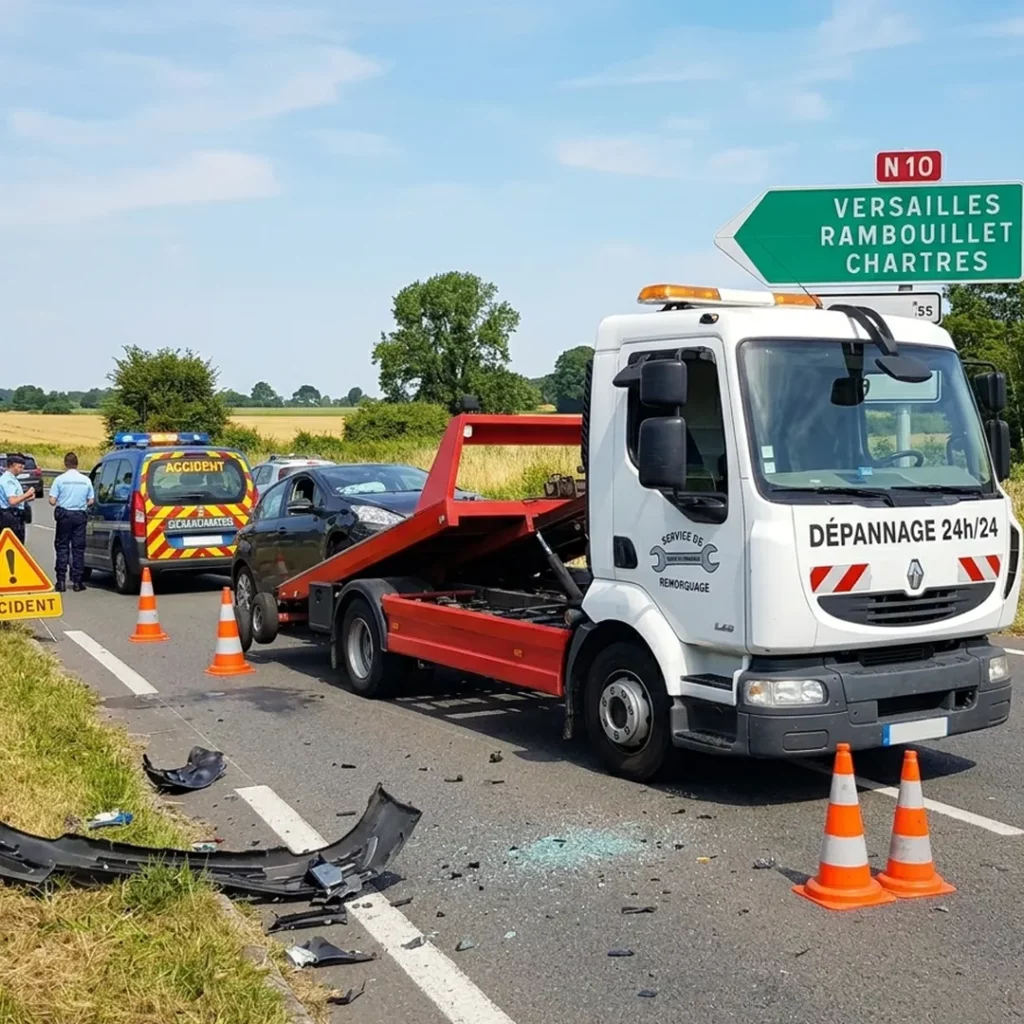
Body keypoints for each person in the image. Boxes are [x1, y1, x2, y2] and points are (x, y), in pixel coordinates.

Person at [49, 451, 95, 592]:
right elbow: (91, 500)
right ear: (77, 464)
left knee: (62, 547)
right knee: (78, 549)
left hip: (64, 516)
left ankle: (61, 581)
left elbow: (52, 500)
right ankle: (77, 582)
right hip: (80, 516)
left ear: (65, 464)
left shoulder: (60, 479)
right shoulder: (85, 480)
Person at [0, 453, 34, 543]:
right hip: (10, 516)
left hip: (13, 515)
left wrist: (27, 498)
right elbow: (12, 501)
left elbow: (15, 498)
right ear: (12, 466)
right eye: (20, 467)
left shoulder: (13, 479)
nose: (22, 470)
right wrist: (27, 494)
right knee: (14, 543)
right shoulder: (8, 481)